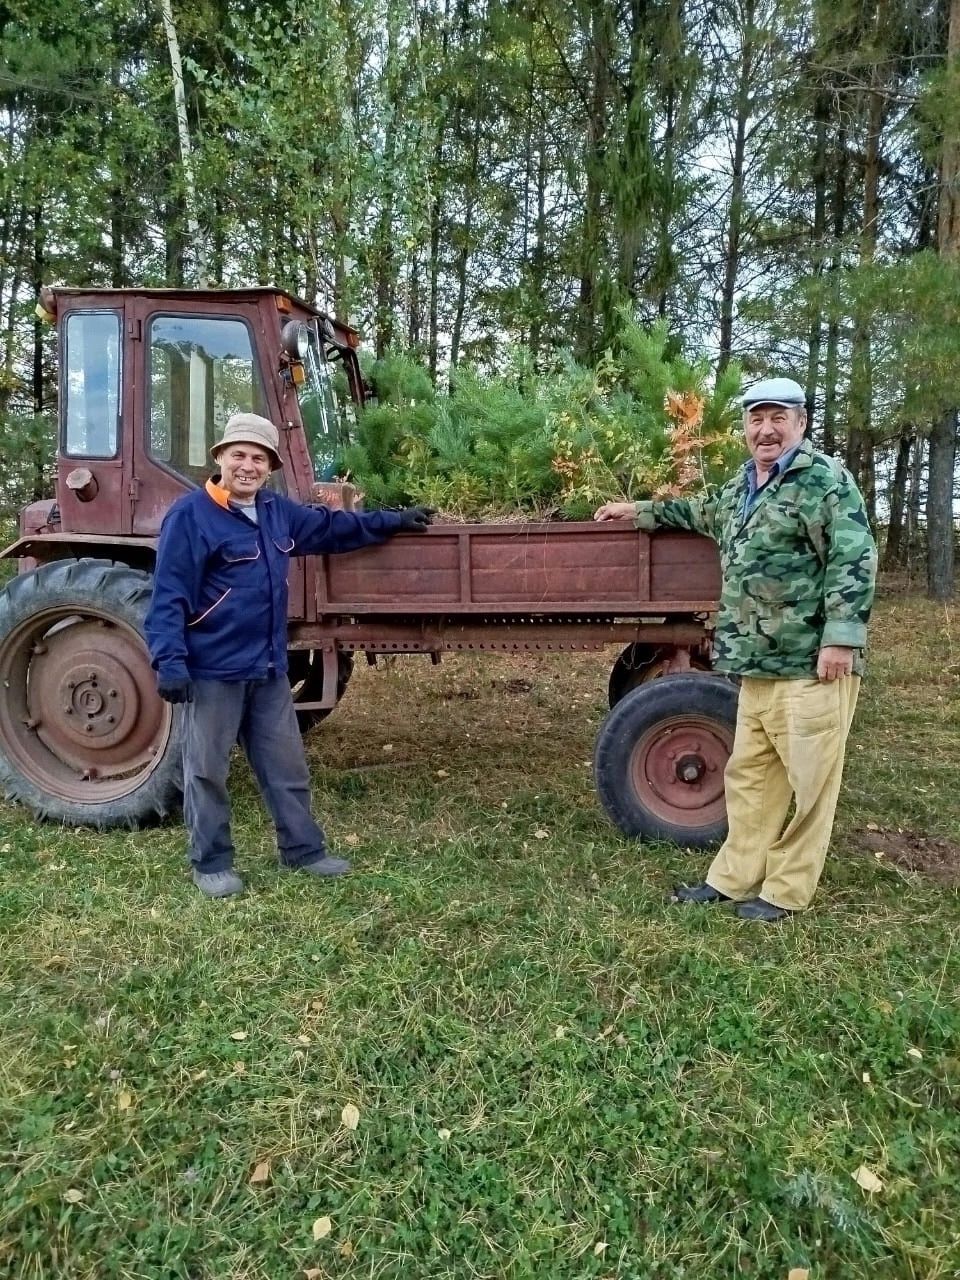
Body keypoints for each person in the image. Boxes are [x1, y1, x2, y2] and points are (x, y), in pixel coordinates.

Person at [595, 377, 878, 922]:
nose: (765, 430)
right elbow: (696, 512)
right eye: (756, 419)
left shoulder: (824, 481)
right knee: (750, 778)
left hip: (809, 664)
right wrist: (638, 510)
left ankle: (786, 892)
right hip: (755, 663)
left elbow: (853, 559)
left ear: (800, 423)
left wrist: (841, 638)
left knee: (811, 785)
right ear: (746, 427)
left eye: (778, 417)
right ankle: (733, 878)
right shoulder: (744, 486)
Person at [146, 412, 433, 898]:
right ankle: (211, 861)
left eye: (258, 458)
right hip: (214, 669)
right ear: (220, 457)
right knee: (206, 770)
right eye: (238, 454)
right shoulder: (190, 517)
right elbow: (168, 595)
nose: (247, 466)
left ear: (269, 467)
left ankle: (303, 851)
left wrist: (393, 521)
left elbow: (332, 528)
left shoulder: (276, 512)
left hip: (268, 666)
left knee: (286, 765)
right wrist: (170, 661)